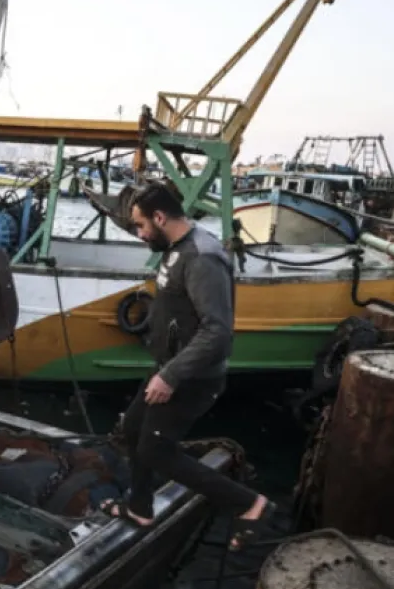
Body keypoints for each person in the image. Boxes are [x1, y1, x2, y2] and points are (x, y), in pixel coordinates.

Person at [99, 184, 274, 551]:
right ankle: (140, 506)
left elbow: (218, 332)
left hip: (191, 378)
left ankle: (250, 504)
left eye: (140, 225)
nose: (139, 233)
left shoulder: (202, 258)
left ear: (160, 218)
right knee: (132, 430)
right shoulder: (175, 248)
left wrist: (172, 375)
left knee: (156, 451)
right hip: (169, 368)